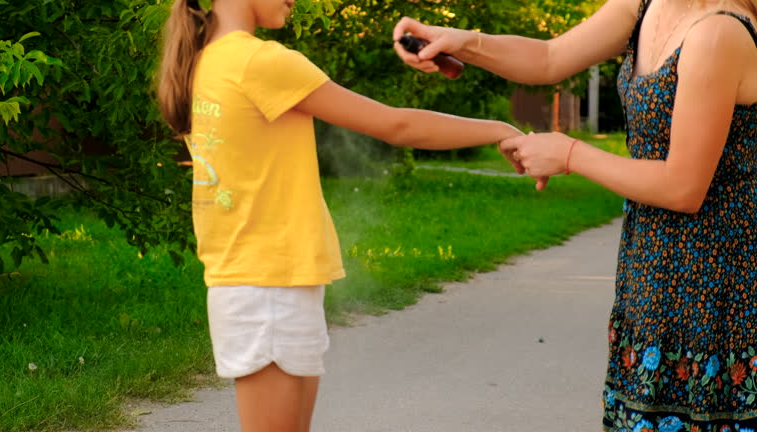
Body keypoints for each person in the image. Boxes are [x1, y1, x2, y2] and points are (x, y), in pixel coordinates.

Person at [155, 0, 527, 431]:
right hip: (268, 289)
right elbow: (397, 126)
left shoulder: (206, 61)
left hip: (264, 282)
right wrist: (500, 130)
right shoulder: (259, 62)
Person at [395, 0, 757, 430]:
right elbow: (549, 58)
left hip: (717, 295)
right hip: (653, 280)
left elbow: (683, 187)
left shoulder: (718, 34)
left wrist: (570, 154)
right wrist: (459, 42)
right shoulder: (645, 6)